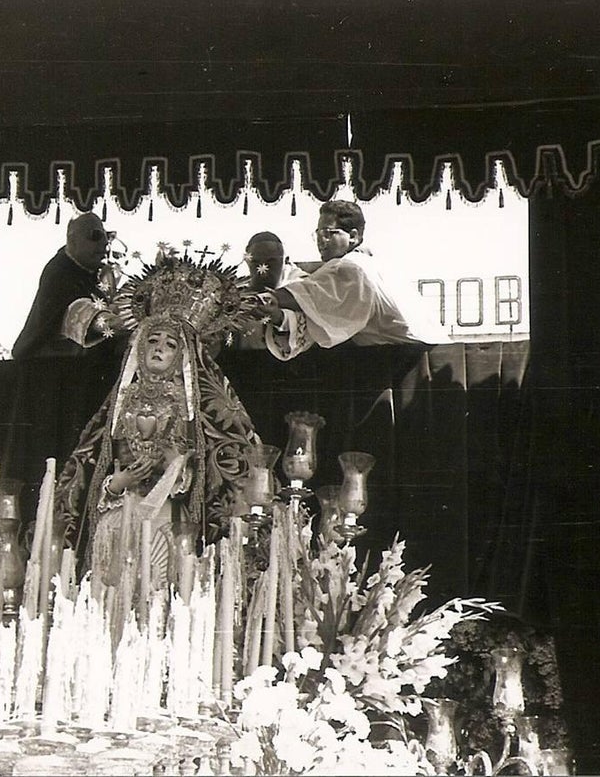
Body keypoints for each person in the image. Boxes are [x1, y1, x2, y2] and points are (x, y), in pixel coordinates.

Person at [54, 254, 265, 589]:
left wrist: (178, 469)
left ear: (183, 354)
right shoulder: (119, 403)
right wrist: (115, 484)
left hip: (169, 518)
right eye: (152, 340)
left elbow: (217, 471)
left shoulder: (201, 408)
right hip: (119, 515)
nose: (159, 349)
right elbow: (91, 467)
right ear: (137, 347)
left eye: (170, 345)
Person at [253, 200, 448, 360]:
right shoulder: (373, 262)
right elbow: (317, 310)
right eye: (319, 234)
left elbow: (305, 295)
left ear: (353, 236)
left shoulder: (349, 267)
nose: (321, 241)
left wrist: (250, 302)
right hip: (433, 356)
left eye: (328, 234)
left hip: (405, 361)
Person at [11, 212, 120, 359]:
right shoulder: (60, 273)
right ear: (73, 240)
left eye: (107, 237)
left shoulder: (92, 273)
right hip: (42, 366)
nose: (104, 244)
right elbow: (85, 318)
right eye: (95, 236)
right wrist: (130, 320)